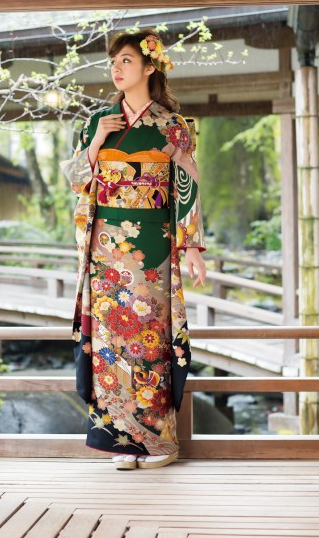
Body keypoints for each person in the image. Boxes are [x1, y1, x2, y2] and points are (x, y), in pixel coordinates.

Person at [60, 28, 206, 470]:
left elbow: (188, 187)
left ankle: (160, 442)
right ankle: (121, 440)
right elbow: (75, 181)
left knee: (149, 340)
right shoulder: (97, 122)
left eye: (125, 60)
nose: (116, 69)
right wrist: (96, 144)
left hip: (152, 247)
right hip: (107, 249)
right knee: (110, 343)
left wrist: (191, 246)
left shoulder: (173, 127)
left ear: (148, 67)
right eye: (113, 62)